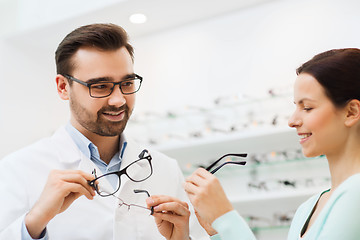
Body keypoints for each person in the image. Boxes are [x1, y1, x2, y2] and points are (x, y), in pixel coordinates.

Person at [0, 23, 206, 240]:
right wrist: (34, 222)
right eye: (100, 86)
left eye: (127, 83)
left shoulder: (165, 168)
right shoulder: (18, 170)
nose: (118, 100)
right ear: (63, 88)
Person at [181, 48, 360, 239]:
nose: (292, 120)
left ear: (351, 112)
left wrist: (224, 217)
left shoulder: (356, 194)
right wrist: (217, 231)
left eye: (307, 107)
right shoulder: (307, 209)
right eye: (296, 106)